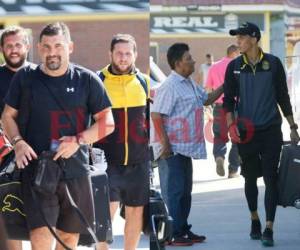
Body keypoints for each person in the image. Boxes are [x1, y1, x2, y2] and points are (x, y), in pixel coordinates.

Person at [1, 22, 114, 250]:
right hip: (37, 170)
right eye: (46, 46)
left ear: (69, 47)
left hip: (76, 170)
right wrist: (18, 143)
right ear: (38, 48)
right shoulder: (25, 77)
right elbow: (7, 116)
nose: (52, 52)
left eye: (58, 46)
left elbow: (107, 123)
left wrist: (78, 140)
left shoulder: (87, 79)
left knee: (69, 238)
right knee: (41, 236)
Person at [223, 22, 300, 247]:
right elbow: (228, 100)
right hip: (246, 132)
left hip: (271, 130)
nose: (238, 41)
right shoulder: (235, 66)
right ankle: (254, 218)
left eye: (242, 37)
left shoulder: (274, 64)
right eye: (237, 38)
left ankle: (269, 227)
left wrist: (293, 126)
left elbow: (283, 97)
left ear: (254, 39)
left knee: (270, 178)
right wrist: (230, 126)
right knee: (250, 178)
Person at [151, 43, 223, 246]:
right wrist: (165, 144)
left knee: (185, 191)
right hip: (171, 148)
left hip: (186, 148)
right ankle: (173, 234)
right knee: (174, 192)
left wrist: (226, 85)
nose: (193, 61)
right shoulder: (170, 86)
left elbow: (206, 99)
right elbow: (156, 114)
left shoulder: (189, 82)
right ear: (177, 64)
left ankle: (182, 229)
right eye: (189, 58)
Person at [96, 34, 150, 250]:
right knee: (105, 212)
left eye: (128, 53)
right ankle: (101, 248)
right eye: (119, 53)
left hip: (139, 160)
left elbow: (149, 116)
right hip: (107, 161)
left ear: (135, 54)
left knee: (136, 211)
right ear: (110, 54)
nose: (123, 57)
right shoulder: (97, 80)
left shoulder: (143, 81)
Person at [0, 25, 32, 250]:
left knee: (38, 217)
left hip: (34, 154)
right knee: (9, 217)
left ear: (27, 47)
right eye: (9, 46)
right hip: (3, 157)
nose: (13, 50)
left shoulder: (39, 76)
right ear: (2, 49)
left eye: (18, 45)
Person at [206, 44, 240, 178]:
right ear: (235, 53)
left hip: (219, 106)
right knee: (237, 138)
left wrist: (208, 107)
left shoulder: (214, 66)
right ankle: (233, 170)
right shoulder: (238, 66)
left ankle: (219, 156)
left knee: (219, 136)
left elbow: (209, 88)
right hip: (236, 106)